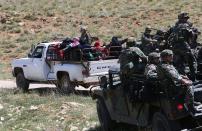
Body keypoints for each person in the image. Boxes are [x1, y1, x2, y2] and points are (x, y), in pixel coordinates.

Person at [157, 49, 199, 114]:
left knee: (191, 83)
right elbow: (173, 76)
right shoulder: (165, 66)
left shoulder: (166, 64)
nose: (172, 57)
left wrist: (183, 76)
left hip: (172, 85)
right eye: (170, 55)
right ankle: (190, 106)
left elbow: (175, 74)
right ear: (165, 57)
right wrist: (184, 81)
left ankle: (191, 101)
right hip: (171, 88)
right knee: (189, 86)